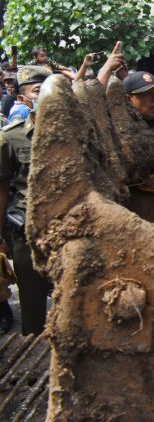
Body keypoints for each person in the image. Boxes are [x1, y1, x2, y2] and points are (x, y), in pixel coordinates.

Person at [0, 66, 53, 335]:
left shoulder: (73, 132)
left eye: (49, 88)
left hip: (67, 234)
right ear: (22, 98)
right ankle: (33, 369)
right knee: (33, 311)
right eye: (37, 90)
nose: (46, 94)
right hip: (26, 236)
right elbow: (2, 189)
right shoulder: (10, 137)